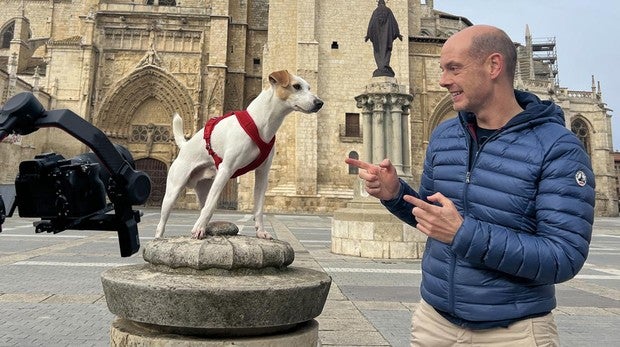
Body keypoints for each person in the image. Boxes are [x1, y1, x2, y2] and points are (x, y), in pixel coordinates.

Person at [346, 24, 595, 346]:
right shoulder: (446, 136)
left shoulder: (557, 148)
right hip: (434, 323)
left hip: (513, 333)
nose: (443, 80)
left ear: (493, 66)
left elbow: (563, 257)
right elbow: (437, 218)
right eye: (441, 69)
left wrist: (463, 234)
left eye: (454, 68)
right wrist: (396, 194)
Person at [365, 0, 403, 77]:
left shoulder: (375, 11)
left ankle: (380, 68)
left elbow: (371, 24)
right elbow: (394, 23)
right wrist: (398, 33)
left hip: (377, 38)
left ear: (379, 4)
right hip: (387, 38)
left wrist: (368, 35)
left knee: (377, 52)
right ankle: (384, 66)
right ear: (384, 3)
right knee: (387, 51)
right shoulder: (388, 11)